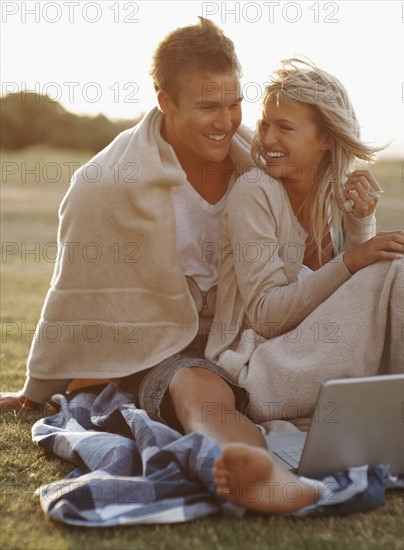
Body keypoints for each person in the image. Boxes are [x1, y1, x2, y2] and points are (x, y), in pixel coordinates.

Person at [0, 17, 267, 448]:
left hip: (251, 339)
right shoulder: (104, 184)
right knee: (193, 382)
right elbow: (72, 296)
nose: (227, 120)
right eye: (207, 107)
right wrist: (35, 392)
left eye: (234, 102)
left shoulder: (264, 169)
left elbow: (316, 258)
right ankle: (250, 467)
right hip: (164, 348)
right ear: (167, 101)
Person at [207, 58, 404, 510]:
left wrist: (360, 225)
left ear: (325, 140)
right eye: (266, 125)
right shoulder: (255, 192)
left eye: (286, 128)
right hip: (264, 369)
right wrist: (355, 258)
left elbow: (355, 303)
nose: (267, 139)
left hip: (328, 358)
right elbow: (265, 312)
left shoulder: (338, 193)